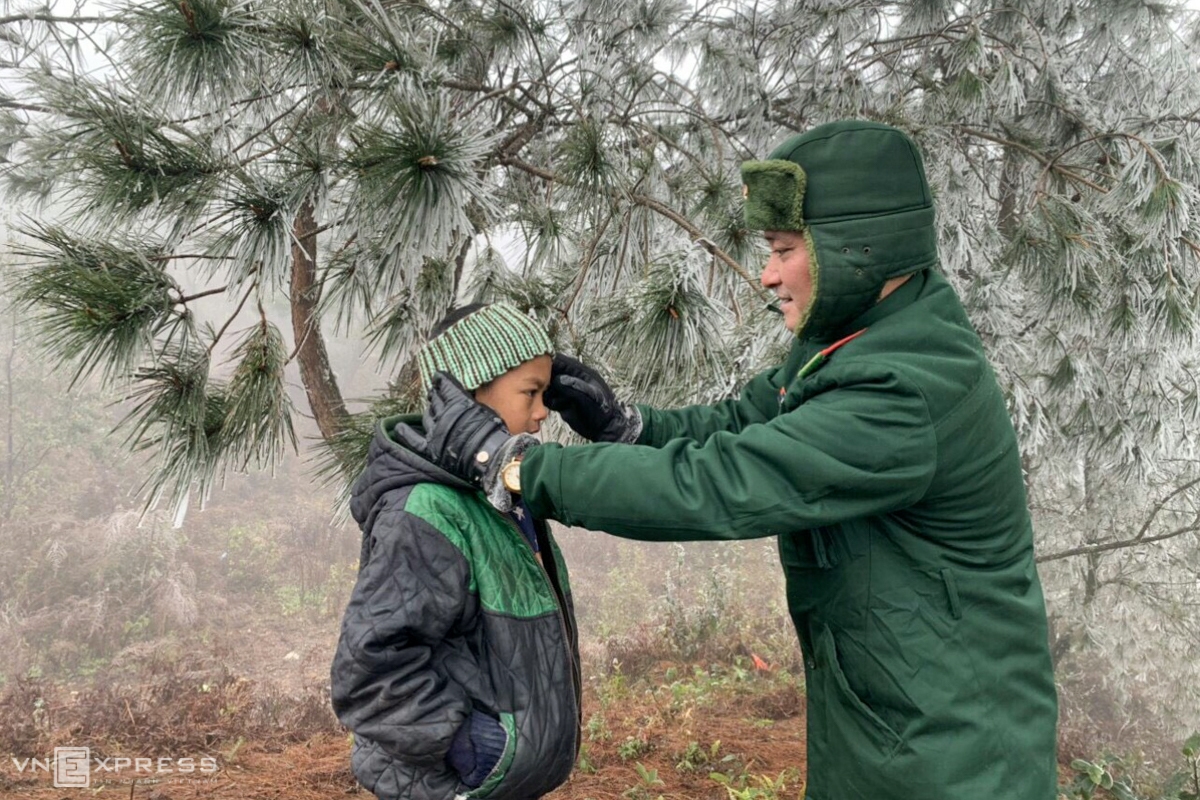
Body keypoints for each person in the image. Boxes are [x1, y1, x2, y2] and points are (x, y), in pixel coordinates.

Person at [400, 120, 1059, 799]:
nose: (768, 274)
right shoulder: (859, 341)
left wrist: (516, 467)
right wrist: (628, 427)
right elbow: (744, 422)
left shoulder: (905, 388)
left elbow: (722, 483)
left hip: (956, 757)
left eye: (785, 249)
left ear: (860, 247)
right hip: (899, 722)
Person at [330, 302, 581, 800]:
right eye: (530, 393)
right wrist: (471, 747)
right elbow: (370, 666)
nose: (541, 412)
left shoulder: (499, 495)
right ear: (467, 397)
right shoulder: (427, 511)